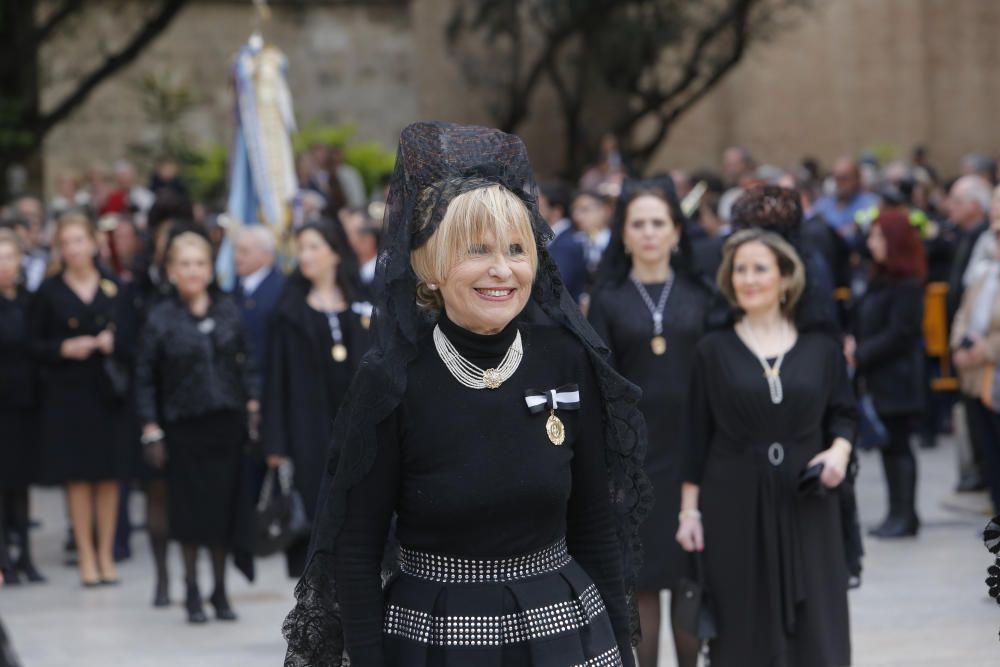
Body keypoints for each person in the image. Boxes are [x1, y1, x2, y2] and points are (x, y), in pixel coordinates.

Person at [282, 122, 650, 667]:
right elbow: (355, 552)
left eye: (517, 250)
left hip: (563, 627)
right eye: (477, 251)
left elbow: (596, 526)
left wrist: (624, 650)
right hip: (434, 633)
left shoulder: (566, 359)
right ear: (432, 266)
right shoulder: (390, 379)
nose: (502, 270)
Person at [677, 228, 856, 666]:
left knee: (818, 620)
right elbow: (696, 435)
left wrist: (839, 452)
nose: (748, 279)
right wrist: (689, 512)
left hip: (808, 500)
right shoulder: (712, 349)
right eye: (739, 269)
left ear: (786, 278)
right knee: (742, 621)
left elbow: (845, 413)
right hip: (732, 499)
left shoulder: (822, 347)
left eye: (760, 268)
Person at [588, 177, 711, 667]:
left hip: (695, 448)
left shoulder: (703, 293)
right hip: (634, 457)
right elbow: (598, 381)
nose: (649, 232)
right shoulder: (609, 298)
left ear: (677, 231)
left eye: (659, 222)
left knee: (689, 582)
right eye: (638, 223)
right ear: (623, 233)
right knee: (641, 581)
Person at [135, 231, 257, 624]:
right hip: (182, 427)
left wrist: (252, 404)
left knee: (223, 511)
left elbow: (247, 363)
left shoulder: (227, 309)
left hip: (225, 424)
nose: (193, 271)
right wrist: (151, 426)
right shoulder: (160, 317)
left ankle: (220, 591)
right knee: (188, 514)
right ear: (171, 271)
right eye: (185, 264)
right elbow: (144, 376)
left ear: (210, 268)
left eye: (200, 263)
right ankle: (189, 590)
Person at [263, 221, 371, 577]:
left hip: (358, 433)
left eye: (312, 247)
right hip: (308, 434)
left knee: (360, 525)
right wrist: (275, 443)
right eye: (301, 248)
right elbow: (275, 382)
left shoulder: (363, 303)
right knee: (317, 526)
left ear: (335, 252)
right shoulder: (288, 312)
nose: (304, 256)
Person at [30, 213, 130, 586]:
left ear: (93, 243)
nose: (73, 248)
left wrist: (112, 343)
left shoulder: (113, 286)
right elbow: (33, 344)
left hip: (108, 391)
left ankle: (106, 553)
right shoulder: (49, 291)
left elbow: (134, 337)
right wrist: (63, 348)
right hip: (68, 392)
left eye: (79, 240)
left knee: (108, 475)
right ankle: (86, 552)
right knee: (78, 477)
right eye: (66, 242)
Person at [845, 210, 926, 538]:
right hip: (879, 375)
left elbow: (900, 333)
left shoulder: (907, 283)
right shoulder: (877, 277)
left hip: (898, 377)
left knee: (899, 446)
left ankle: (905, 514)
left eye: (878, 236)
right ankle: (896, 511)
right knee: (888, 447)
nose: (871, 242)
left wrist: (860, 354)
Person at [951, 198, 1000, 516]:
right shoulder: (985, 274)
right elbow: (963, 314)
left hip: (994, 372)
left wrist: (987, 349)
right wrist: (959, 346)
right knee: (988, 452)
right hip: (974, 377)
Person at [0, 230, 44, 584]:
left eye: (9, 257)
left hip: (26, 404)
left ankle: (26, 555)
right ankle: (4, 559)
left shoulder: (31, 301)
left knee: (22, 483)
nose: (4, 265)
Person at [232, 225, 285, 395]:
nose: (236, 257)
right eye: (236, 250)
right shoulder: (232, 290)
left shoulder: (283, 292)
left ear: (267, 256)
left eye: (244, 251)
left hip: (270, 385)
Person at [539, 182, 588, 303]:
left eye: (539, 206)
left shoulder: (567, 244)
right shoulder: (556, 239)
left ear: (556, 211)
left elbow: (555, 286)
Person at [812, 157, 880, 241]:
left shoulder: (871, 203)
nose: (839, 183)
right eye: (836, 178)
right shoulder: (823, 204)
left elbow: (869, 222)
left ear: (857, 179)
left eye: (844, 179)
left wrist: (854, 228)